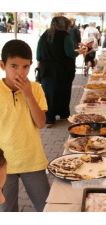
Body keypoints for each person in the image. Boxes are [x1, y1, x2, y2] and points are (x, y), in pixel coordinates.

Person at [0, 40, 49, 211]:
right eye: (14, 66)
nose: (20, 72)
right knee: (7, 209)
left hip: (32, 160)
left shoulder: (35, 89)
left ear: (30, 66)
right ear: (2, 65)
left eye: (25, 67)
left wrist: (28, 95)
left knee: (45, 206)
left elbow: (41, 123)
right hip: (4, 165)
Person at [36, 16, 86, 127]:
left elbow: (38, 55)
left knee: (48, 94)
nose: (69, 28)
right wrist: (79, 52)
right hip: (63, 70)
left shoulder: (44, 35)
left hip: (47, 71)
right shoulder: (65, 36)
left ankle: (49, 119)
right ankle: (63, 115)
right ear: (64, 26)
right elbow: (69, 53)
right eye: (68, 25)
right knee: (63, 92)